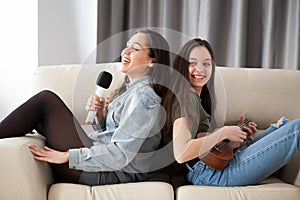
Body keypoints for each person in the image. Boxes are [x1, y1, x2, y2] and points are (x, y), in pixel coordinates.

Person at [0, 28, 171, 186]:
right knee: (41, 119)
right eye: (126, 46)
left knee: (46, 101)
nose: (125, 52)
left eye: (135, 48)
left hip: (110, 173)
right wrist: (99, 117)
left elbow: (121, 155)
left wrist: (68, 156)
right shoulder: (130, 90)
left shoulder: (143, 99)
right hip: (102, 160)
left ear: (152, 61)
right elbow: (115, 135)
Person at [161, 38, 300, 186]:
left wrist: (238, 135)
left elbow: (211, 147)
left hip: (217, 165)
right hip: (208, 174)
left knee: (284, 125)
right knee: (296, 129)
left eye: (206, 64)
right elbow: (182, 153)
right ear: (182, 65)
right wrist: (223, 133)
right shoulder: (185, 97)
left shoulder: (199, 99)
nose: (200, 69)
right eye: (192, 63)